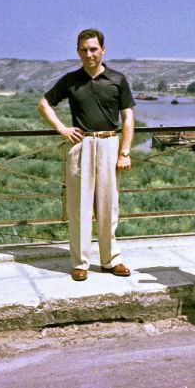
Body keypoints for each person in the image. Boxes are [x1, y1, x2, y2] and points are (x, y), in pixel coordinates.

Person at [38, 28, 135, 282]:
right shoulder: (70, 80)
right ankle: (80, 262)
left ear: (103, 50)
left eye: (93, 49)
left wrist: (124, 151)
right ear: (78, 51)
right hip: (81, 145)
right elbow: (44, 103)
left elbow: (127, 117)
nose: (89, 54)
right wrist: (62, 129)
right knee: (79, 206)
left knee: (108, 205)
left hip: (109, 144)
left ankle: (110, 259)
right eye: (84, 50)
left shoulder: (117, 79)